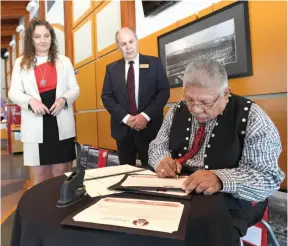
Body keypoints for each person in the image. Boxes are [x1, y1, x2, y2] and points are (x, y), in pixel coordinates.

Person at [148, 58, 285, 245]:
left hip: (235, 197)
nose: (195, 109)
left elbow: (268, 178)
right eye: (189, 99)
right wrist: (161, 160)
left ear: (225, 93)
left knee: (203, 230)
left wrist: (220, 179)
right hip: (181, 188)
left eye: (205, 102)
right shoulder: (176, 111)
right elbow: (157, 146)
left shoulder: (251, 117)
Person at [8, 18, 80, 185]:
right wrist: (30, 101)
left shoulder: (64, 61)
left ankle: (62, 209)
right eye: (37, 36)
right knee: (40, 175)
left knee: (61, 173)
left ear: (51, 37)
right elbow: (13, 92)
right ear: (30, 40)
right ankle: (42, 210)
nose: (43, 40)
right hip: (35, 124)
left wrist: (64, 99)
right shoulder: (21, 63)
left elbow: (75, 89)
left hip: (60, 122)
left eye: (46, 36)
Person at [101, 27, 170, 166]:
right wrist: (127, 119)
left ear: (137, 41)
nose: (128, 47)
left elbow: (163, 92)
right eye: (123, 44)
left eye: (131, 42)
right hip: (123, 131)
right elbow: (106, 96)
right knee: (126, 173)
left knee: (151, 172)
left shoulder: (154, 63)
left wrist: (144, 116)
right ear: (118, 46)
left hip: (150, 129)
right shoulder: (111, 69)